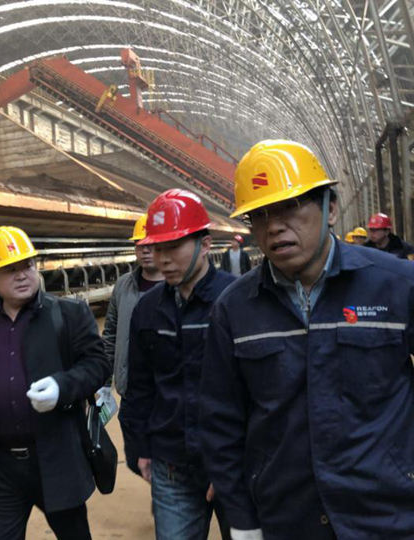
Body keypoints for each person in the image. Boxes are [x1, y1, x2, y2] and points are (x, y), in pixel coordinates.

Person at [199, 140, 414, 540]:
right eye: (259, 215)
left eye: (289, 207)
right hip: (287, 518)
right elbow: (220, 422)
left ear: (330, 209)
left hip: (387, 516)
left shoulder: (397, 285)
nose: (273, 227)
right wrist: (242, 520)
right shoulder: (234, 309)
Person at [0, 226, 111, 540]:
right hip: (0, 466)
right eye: (10, 270)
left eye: (27, 265)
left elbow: (98, 365)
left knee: (73, 534)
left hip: (55, 457)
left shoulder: (67, 314)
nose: (22, 275)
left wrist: (62, 387)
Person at [127, 189, 234, 540]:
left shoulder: (235, 301)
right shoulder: (148, 309)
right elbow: (140, 385)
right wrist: (139, 447)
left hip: (233, 463)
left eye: (173, 247)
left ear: (205, 245)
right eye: (157, 249)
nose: (163, 259)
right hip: (171, 464)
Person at [102, 213, 164, 476]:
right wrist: (104, 382)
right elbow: (111, 334)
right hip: (131, 391)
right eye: (140, 244)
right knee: (137, 457)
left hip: (166, 392)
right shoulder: (123, 286)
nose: (145, 250)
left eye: (151, 244)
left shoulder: (178, 285)